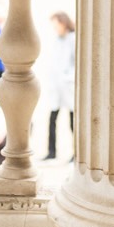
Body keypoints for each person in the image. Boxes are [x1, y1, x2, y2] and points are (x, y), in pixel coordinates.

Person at [42, 12, 75, 162]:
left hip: (69, 86)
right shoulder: (57, 40)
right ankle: (51, 152)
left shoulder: (73, 39)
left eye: (57, 25)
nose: (55, 29)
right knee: (52, 118)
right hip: (56, 87)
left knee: (73, 121)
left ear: (63, 23)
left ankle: (77, 154)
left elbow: (76, 63)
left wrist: (68, 78)